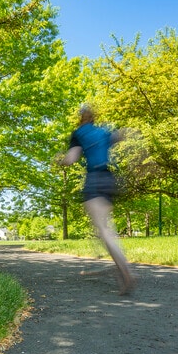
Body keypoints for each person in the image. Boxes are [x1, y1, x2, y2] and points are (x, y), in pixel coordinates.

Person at [59, 105, 137, 295]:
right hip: (109, 179)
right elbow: (121, 135)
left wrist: (60, 160)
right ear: (94, 118)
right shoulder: (102, 131)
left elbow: (71, 158)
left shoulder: (78, 133)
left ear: (81, 118)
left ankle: (124, 269)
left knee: (103, 229)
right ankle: (118, 264)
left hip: (94, 179)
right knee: (105, 226)